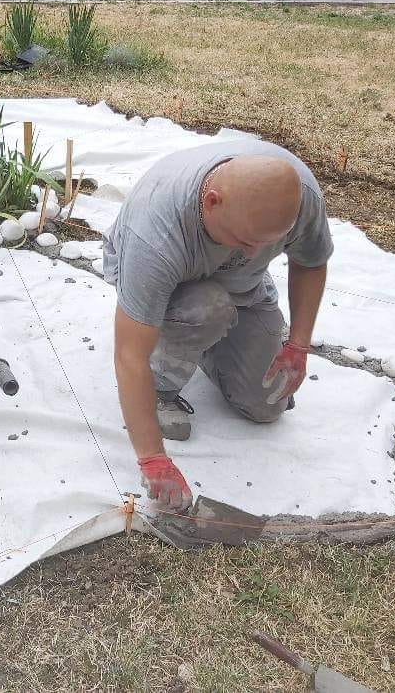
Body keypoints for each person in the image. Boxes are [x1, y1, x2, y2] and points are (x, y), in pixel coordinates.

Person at [102, 139, 333, 512]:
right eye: (245, 241)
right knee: (207, 309)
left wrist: (298, 345)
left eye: (267, 244)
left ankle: (212, 343)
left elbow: (310, 262)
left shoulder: (299, 194)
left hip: (244, 287)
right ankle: (163, 385)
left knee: (266, 405)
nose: (254, 253)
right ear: (212, 202)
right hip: (176, 292)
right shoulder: (155, 232)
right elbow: (129, 356)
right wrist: (153, 459)